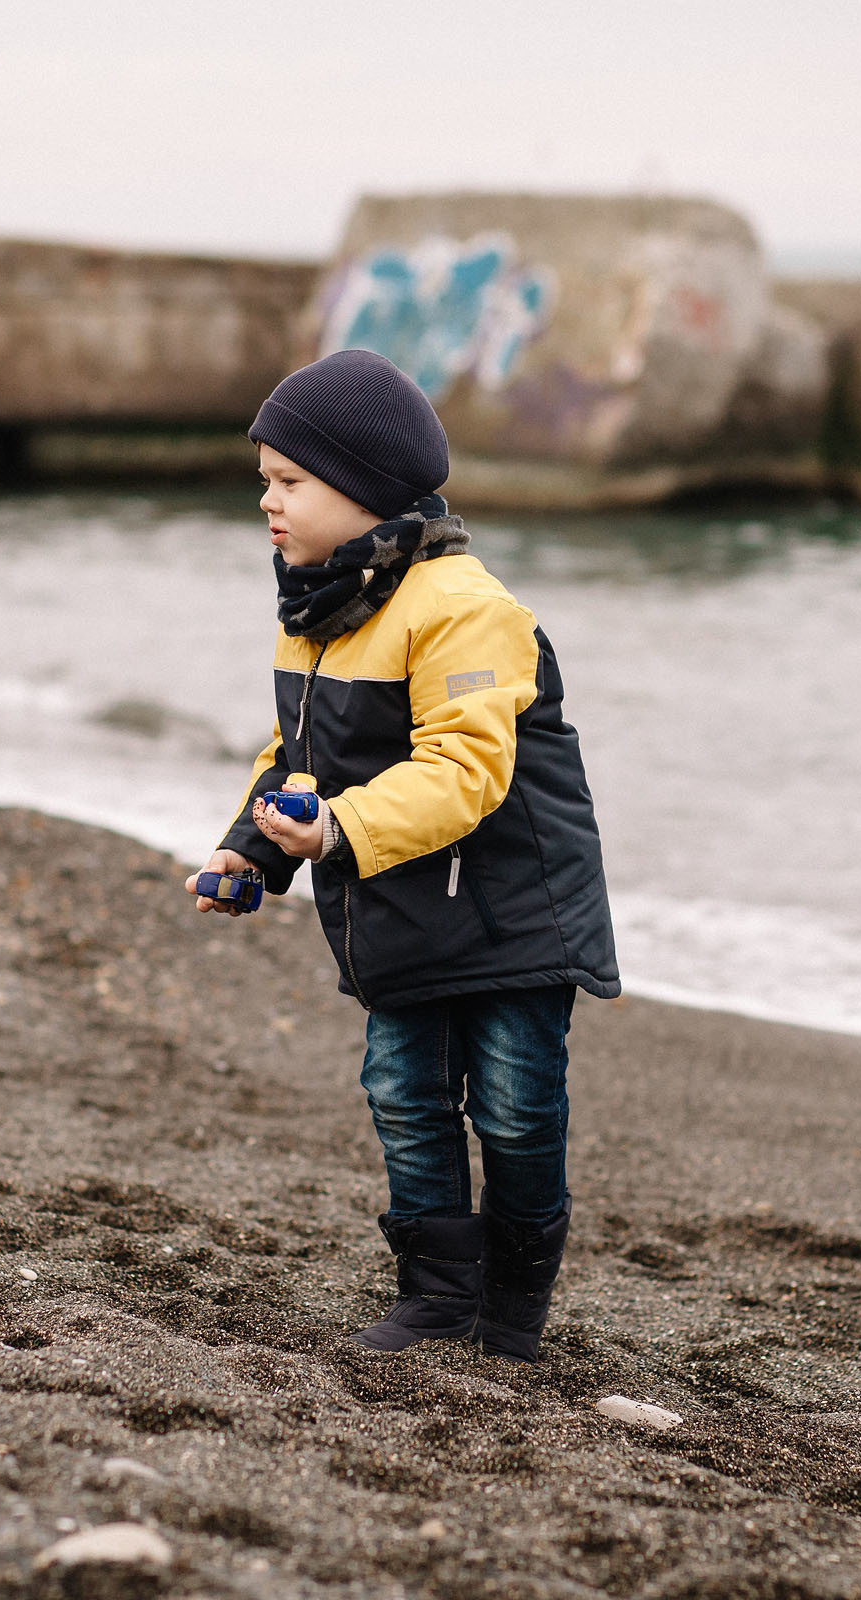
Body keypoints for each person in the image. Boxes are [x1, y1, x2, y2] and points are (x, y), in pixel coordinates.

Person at [189, 349, 620, 1362]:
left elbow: (468, 768)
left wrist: (336, 830)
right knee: (404, 1097)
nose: (268, 502)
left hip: (512, 913)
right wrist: (252, 847)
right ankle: (433, 1297)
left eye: (288, 480)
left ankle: (510, 1313)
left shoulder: (467, 607)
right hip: (397, 910)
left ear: (365, 488)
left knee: (514, 1109)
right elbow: (296, 756)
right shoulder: (316, 608)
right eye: (265, 481)